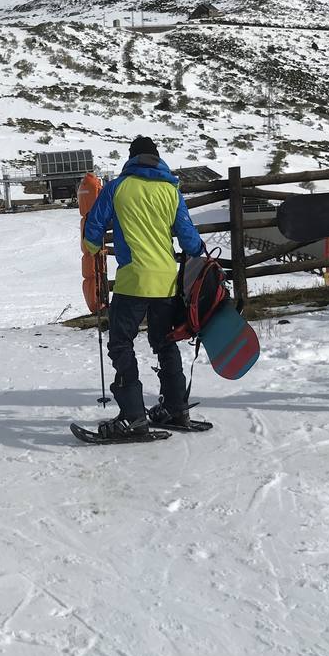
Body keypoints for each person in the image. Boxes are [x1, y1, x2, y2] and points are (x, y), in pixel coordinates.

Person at [83, 136, 205, 438]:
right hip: (166, 282)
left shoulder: (117, 187)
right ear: (157, 158)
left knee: (121, 343)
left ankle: (133, 415)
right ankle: (176, 409)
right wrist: (195, 248)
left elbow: (93, 229)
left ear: (131, 158)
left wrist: (93, 246)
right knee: (166, 342)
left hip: (133, 279)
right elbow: (189, 238)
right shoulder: (171, 190)